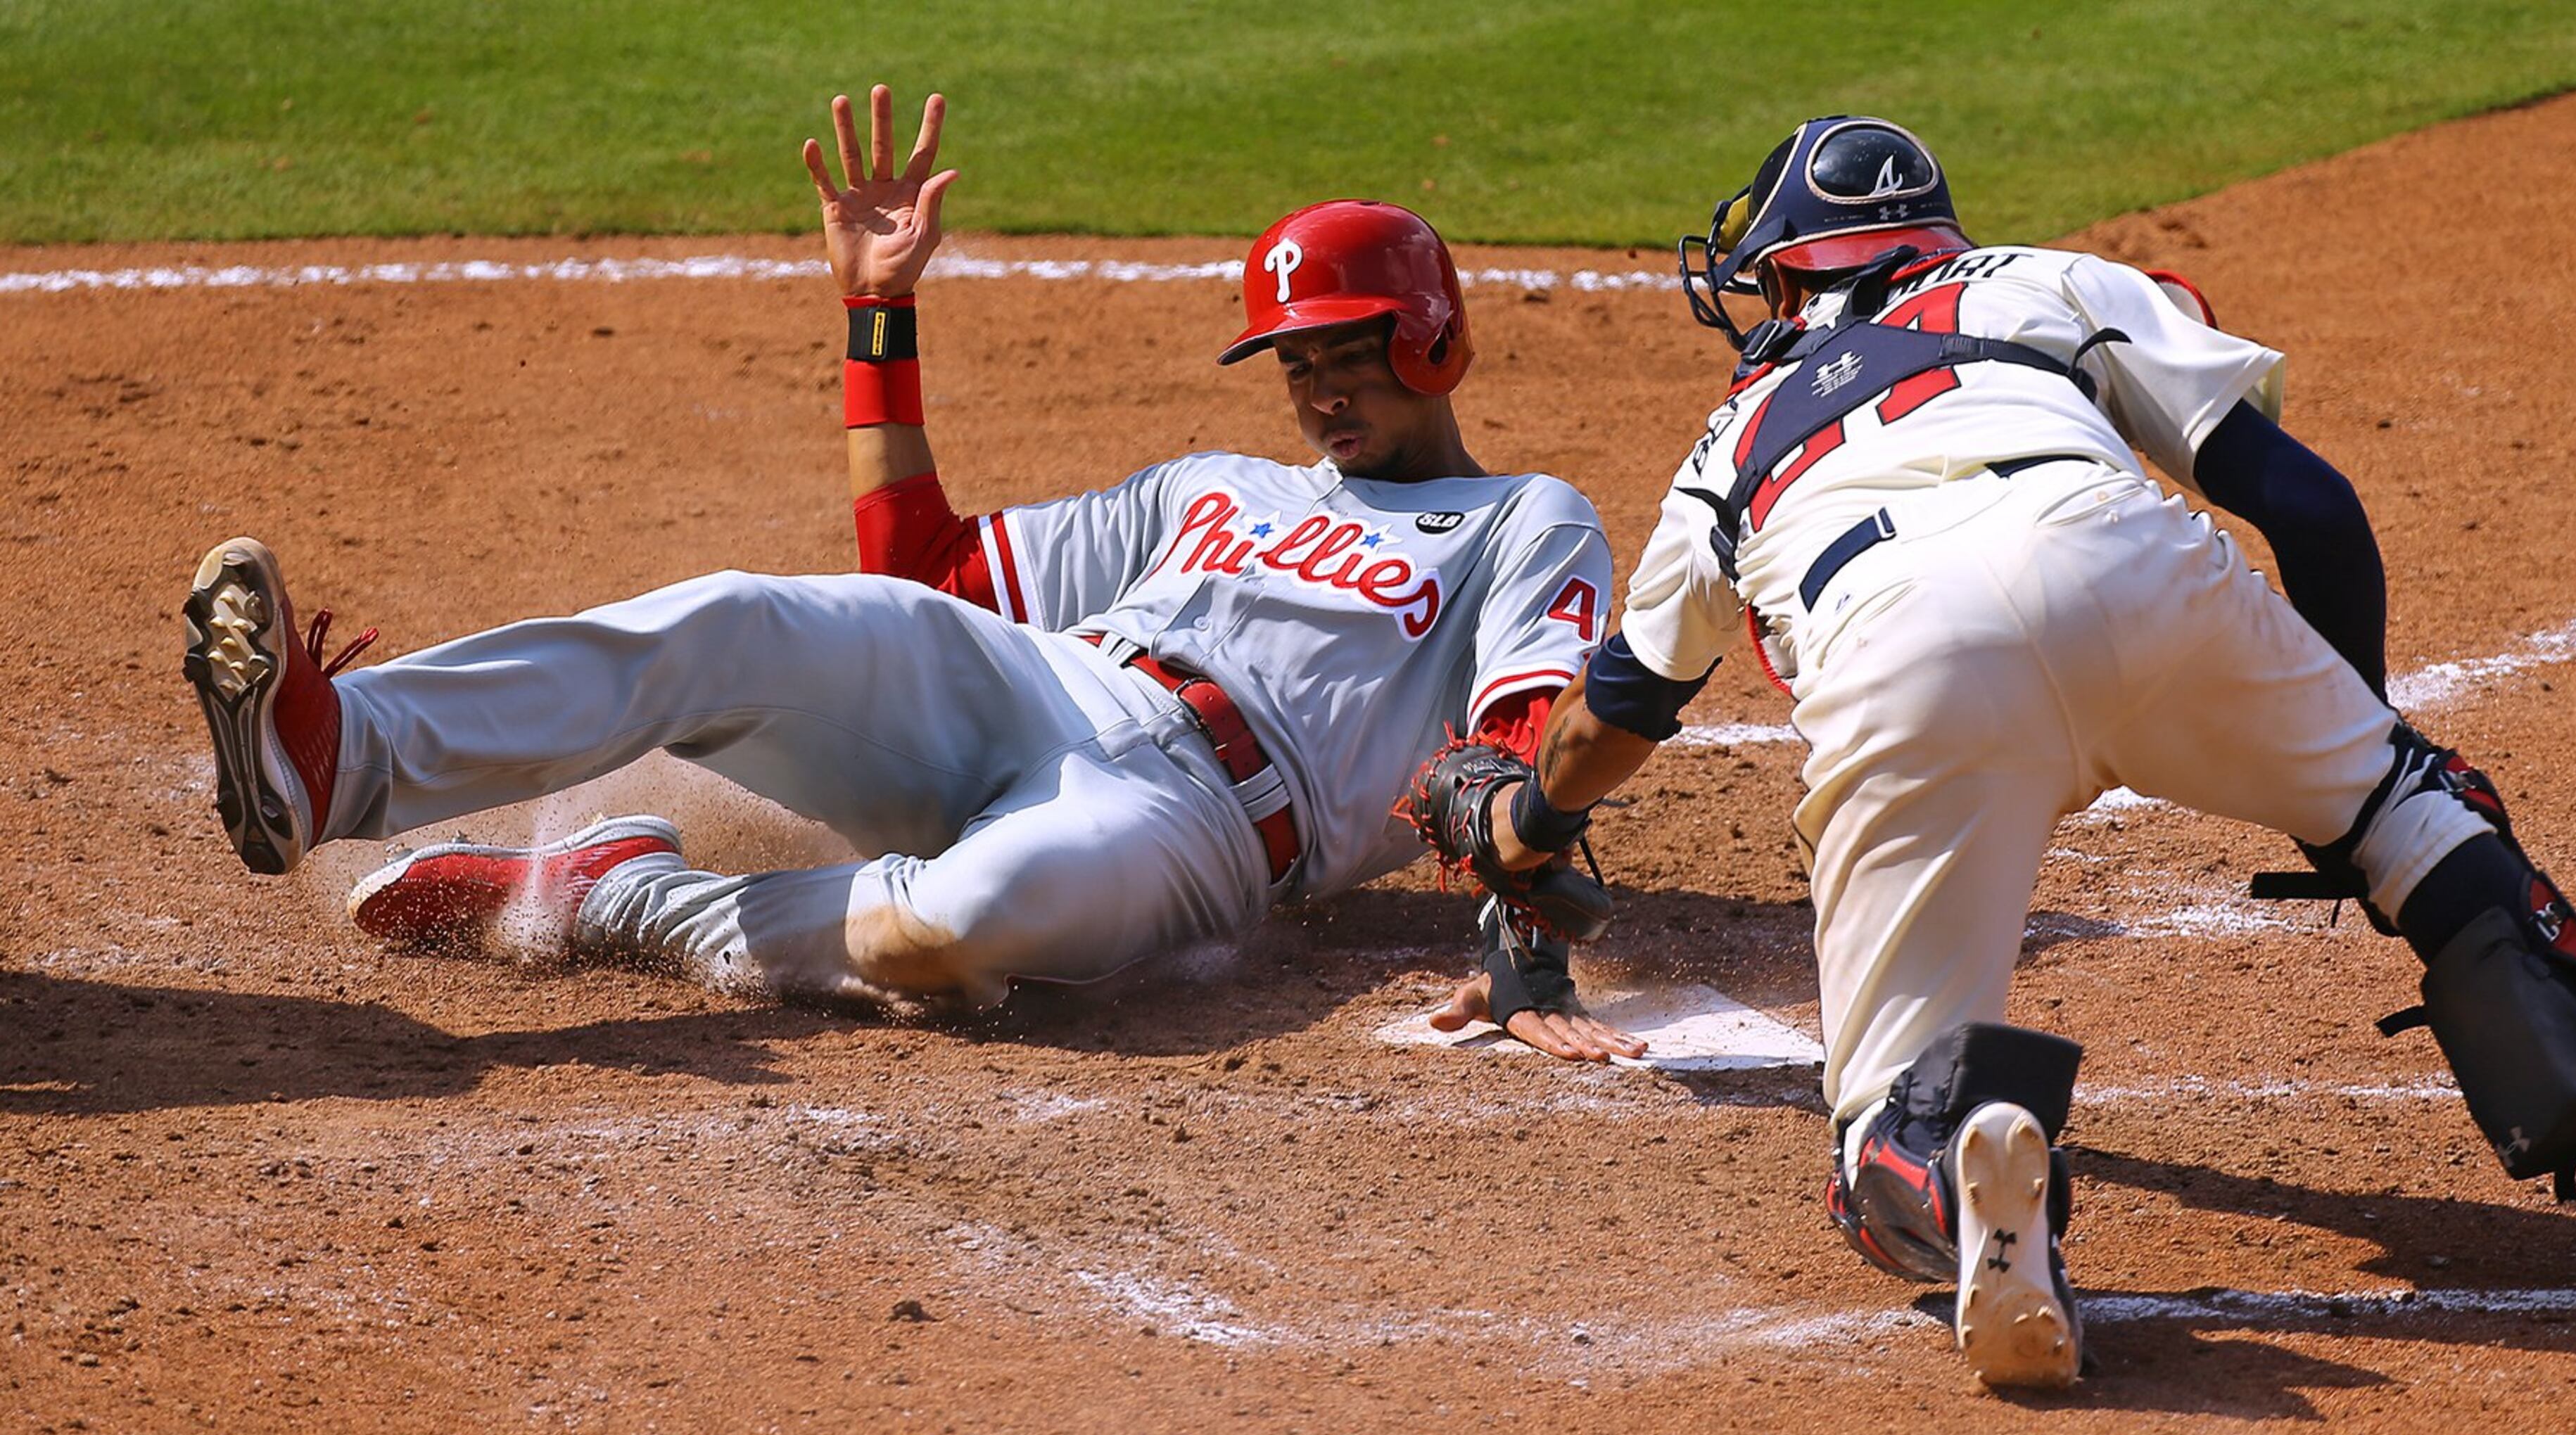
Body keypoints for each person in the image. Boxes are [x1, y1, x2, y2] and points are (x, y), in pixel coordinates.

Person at [1471, 116, 2576, 1386]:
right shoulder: (2049, 280)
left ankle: (1967, 1176)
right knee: (2421, 817)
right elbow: (2312, 508)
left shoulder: (1725, 447)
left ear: (1786, 278)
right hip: (2123, 561)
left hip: (1902, 657)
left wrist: (1527, 830)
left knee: (1883, 1119)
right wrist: (2357, 752)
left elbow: (1618, 708)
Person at [182, 84, 1647, 1061]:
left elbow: (1528, 741)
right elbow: (933, 572)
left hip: (1199, 822)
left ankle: (620, 899)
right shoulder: (1217, 485)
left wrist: (1524, 946)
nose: (1323, 390)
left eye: (1354, 354)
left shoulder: (1526, 519)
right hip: (1039, 683)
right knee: (739, 616)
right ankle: (336, 752)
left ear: (1433, 341)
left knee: (950, 927)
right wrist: (878, 311)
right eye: (1299, 363)